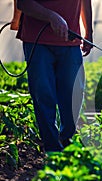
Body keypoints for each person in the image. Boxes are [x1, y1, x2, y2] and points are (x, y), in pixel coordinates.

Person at [16, 0, 93, 152]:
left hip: (71, 39)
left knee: (74, 95)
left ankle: (66, 141)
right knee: (43, 95)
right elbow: (23, 3)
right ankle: (52, 149)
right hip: (37, 40)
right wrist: (51, 16)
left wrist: (89, 32)